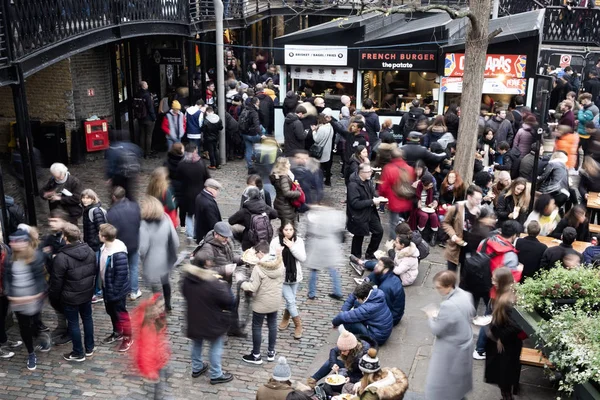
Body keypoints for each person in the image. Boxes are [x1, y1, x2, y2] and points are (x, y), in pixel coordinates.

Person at [181, 256, 234, 384]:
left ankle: (197, 367)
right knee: (215, 346)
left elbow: (185, 293)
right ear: (205, 265)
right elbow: (228, 301)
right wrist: (224, 286)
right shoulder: (213, 283)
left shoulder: (187, 280)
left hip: (194, 319)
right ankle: (216, 374)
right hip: (212, 321)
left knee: (197, 344)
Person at [49, 224, 96, 362]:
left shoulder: (61, 258)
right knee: (87, 319)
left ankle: (78, 352)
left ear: (65, 238)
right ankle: (89, 348)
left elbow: (56, 282)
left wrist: (55, 298)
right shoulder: (90, 251)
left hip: (70, 297)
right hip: (86, 294)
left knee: (73, 323)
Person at [424, 270, 475, 400]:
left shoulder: (448, 306)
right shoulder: (465, 295)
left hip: (451, 350)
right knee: (458, 383)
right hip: (464, 344)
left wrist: (430, 316)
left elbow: (436, 330)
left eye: (439, 287)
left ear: (448, 286)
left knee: (441, 384)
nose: (437, 290)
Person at [5, 227, 49, 370]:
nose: (16, 245)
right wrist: (11, 295)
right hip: (18, 300)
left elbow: (39, 279)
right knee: (24, 328)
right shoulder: (9, 259)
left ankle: (40, 338)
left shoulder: (36, 257)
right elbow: (7, 279)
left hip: (34, 300)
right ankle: (31, 353)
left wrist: (35, 295)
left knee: (35, 323)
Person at [241, 241, 284, 365]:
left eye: (256, 253)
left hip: (261, 303)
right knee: (272, 325)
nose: (256, 256)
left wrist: (241, 283)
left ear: (261, 253)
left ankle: (256, 355)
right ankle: (271, 352)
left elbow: (253, 287)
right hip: (275, 301)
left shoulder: (259, 267)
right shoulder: (280, 263)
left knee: (257, 326)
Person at [138, 196, 179, 312]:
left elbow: (143, 247)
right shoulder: (166, 218)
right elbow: (175, 241)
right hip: (166, 258)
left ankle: (159, 305)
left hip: (152, 261)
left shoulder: (144, 224)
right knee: (165, 282)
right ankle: (168, 304)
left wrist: (142, 257)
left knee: (155, 285)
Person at [98, 224, 133, 352]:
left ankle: (128, 337)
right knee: (111, 312)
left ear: (104, 237)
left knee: (121, 314)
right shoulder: (104, 247)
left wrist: (114, 290)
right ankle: (117, 332)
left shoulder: (118, 254)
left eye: (99, 233)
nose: (98, 235)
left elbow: (122, 275)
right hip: (107, 287)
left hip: (116, 290)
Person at [484, 292, 524, 400]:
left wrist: (501, 337)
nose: (492, 280)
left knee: (504, 377)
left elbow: (517, 325)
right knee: (503, 377)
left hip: (507, 347)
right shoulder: (502, 298)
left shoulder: (507, 302)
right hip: (504, 346)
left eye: (496, 279)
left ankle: (507, 397)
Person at [270, 222, 306, 340]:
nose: (289, 232)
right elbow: (271, 260)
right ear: (281, 230)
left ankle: (285, 318)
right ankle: (298, 325)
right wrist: (278, 254)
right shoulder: (275, 241)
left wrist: (292, 247)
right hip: (281, 277)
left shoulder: (298, 241)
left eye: (291, 229)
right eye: (286, 229)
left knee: (292, 301)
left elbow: (302, 258)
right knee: (290, 301)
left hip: (295, 276)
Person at [106, 187, 142, 301]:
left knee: (120, 268)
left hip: (120, 244)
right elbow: (139, 222)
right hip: (134, 242)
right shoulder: (135, 206)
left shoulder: (111, 213)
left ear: (113, 197)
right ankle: (134, 291)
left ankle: (121, 289)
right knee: (134, 267)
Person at [129, 294, 170, 388]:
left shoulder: (157, 319)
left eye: (163, 306)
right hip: (150, 371)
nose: (162, 309)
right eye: (160, 307)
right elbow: (147, 351)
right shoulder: (148, 327)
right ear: (152, 307)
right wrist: (150, 371)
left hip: (156, 364)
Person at [305, 205, 344, 300]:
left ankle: (311, 293)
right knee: (332, 268)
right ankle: (337, 291)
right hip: (330, 242)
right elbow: (340, 230)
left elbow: (309, 230)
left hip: (317, 242)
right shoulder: (337, 214)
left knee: (314, 269)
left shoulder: (314, 214)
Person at [442, 185, 483, 271]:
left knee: (465, 277)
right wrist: (453, 235)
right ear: (469, 197)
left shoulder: (481, 211)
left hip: (471, 248)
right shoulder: (456, 207)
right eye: (477, 199)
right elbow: (446, 223)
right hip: (455, 246)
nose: (479, 202)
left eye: (480, 199)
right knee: (451, 275)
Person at [347, 163, 384, 260]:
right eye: (368, 172)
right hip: (358, 215)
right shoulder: (353, 185)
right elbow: (354, 203)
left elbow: (372, 192)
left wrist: (378, 197)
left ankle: (370, 254)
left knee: (379, 231)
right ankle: (355, 257)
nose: (370, 174)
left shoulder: (368, 181)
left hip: (370, 211)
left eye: (371, 171)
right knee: (359, 235)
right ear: (361, 173)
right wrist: (371, 201)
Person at [378, 147, 415, 239]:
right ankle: (405, 239)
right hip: (407, 199)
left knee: (393, 223)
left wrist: (382, 198)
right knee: (405, 221)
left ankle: (395, 242)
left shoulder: (388, 168)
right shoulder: (410, 169)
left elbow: (383, 187)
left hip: (394, 200)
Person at [177, 143, 211, 240]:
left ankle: (190, 233)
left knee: (189, 213)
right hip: (199, 191)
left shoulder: (182, 164)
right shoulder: (200, 163)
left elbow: (178, 178)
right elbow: (207, 177)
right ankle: (197, 232)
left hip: (186, 192)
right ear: (195, 151)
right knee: (198, 213)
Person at [80, 189, 107, 302]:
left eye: (88, 198)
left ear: (93, 199)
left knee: (95, 269)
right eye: (83, 197)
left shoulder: (94, 211)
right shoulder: (87, 210)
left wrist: (97, 243)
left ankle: (97, 292)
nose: (85, 200)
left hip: (95, 245)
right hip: (91, 244)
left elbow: (101, 229)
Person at [364, 257, 405, 326]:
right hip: (395, 313)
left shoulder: (385, 288)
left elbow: (383, 308)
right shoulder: (390, 276)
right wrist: (367, 280)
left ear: (386, 269)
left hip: (391, 318)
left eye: (379, 265)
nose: (376, 265)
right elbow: (374, 273)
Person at [105, 130, 143, 201]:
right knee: (129, 192)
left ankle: (117, 207)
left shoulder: (113, 148)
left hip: (118, 175)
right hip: (131, 174)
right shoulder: (134, 147)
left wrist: (109, 177)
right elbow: (139, 157)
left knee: (116, 193)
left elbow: (111, 163)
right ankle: (132, 206)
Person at [270, 157, 301, 224]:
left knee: (285, 225)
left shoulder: (277, 176)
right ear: (283, 166)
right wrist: (298, 193)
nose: (290, 165)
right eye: (288, 163)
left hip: (280, 203)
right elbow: (286, 192)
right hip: (285, 206)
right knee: (288, 226)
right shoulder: (284, 178)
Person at [194, 179, 223, 243]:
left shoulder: (200, 196)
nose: (217, 192)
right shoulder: (208, 203)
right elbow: (213, 222)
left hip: (201, 233)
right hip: (208, 237)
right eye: (216, 189)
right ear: (211, 189)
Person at [312, 109, 336, 186]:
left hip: (320, 151)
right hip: (327, 150)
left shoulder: (322, 129)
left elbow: (316, 139)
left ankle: (318, 183)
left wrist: (314, 131)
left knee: (320, 167)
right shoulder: (330, 127)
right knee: (327, 167)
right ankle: (328, 181)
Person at [164, 142, 185, 229]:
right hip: (183, 187)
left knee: (173, 206)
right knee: (183, 207)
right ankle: (183, 225)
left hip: (171, 187)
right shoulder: (184, 162)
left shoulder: (167, 162)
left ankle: (173, 223)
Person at [240, 97, 263, 171]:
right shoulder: (254, 112)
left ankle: (250, 167)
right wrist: (261, 134)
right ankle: (257, 164)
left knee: (248, 149)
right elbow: (256, 125)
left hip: (244, 133)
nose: (259, 104)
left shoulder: (245, 109)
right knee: (257, 147)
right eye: (258, 102)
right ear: (256, 103)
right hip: (253, 134)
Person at [134, 81, 157, 157]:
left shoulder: (137, 94)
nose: (147, 85)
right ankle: (147, 153)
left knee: (142, 134)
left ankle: (142, 151)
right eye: (146, 84)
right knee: (148, 135)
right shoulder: (147, 95)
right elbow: (150, 107)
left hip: (140, 117)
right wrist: (154, 117)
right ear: (143, 86)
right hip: (148, 118)